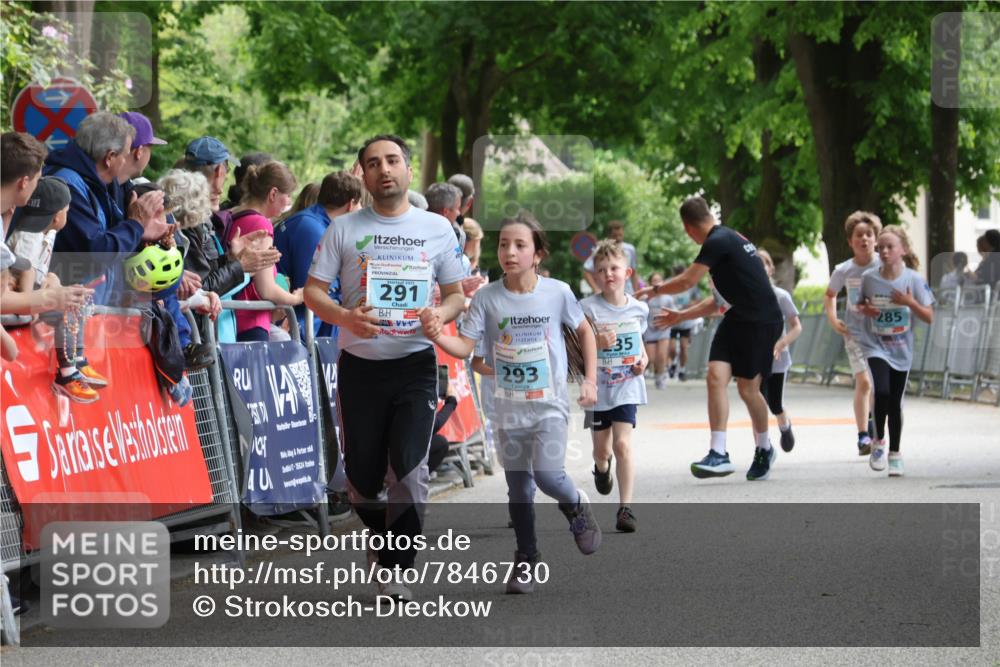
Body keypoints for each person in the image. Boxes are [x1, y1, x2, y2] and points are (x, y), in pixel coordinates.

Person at [303, 135, 467, 602]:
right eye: (373, 163)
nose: (384, 169)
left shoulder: (436, 228)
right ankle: (381, 543)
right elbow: (313, 291)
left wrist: (443, 314)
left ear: (409, 170)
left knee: (411, 470)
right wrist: (344, 317)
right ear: (363, 174)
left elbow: (455, 293)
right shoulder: (344, 229)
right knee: (363, 481)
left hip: (415, 363)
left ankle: (399, 566)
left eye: (393, 160)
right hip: (359, 367)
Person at [426, 211, 601, 594]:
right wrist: (439, 334)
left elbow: (585, 331)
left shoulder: (556, 292)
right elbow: (465, 349)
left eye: (520, 245)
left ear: (537, 254)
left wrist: (589, 380)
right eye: (504, 244)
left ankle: (575, 506)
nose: (509, 251)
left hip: (548, 405)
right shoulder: (487, 298)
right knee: (519, 491)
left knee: (548, 476)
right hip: (506, 408)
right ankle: (527, 558)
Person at [638, 196, 783, 482]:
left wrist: (652, 291)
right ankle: (718, 453)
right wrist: (680, 316)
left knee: (747, 390)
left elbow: (686, 281)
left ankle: (765, 448)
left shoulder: (718, 241)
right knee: (715, 376)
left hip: (761, 322)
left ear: (687, 227)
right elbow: (718, 301)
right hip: (736, 318)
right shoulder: (727, 240)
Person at [580, 240, 648, 533]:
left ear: (627, 272)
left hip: (627, 386)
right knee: (602, 451)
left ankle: (626, 509)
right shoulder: (587, 308)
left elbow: (639, 343)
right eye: (601, 269)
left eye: (614, 268)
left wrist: (643, 360)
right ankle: (601, 469)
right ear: (594, 276)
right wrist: (597, 340)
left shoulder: (639, 308)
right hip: (599, 388)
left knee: (622, 444)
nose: (608, 273)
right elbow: (577, 348)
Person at [857, 226, 934, 477]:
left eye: (890, 247)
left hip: (901, 348)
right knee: (881, 391)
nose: (884, 251)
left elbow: (929, 316)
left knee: (894, 402)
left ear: (904, 250)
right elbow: (861, 304)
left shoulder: (914, 279)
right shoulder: (869, 278)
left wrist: (909, 302)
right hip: (875, 344)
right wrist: (866, 310)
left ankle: (896, 453)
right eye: (881, 248)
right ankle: (879, 442)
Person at [275, 171, 362, 339]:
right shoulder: (312, 229)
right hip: (297, 330)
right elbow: (312, 290)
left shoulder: (316, 223)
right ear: (351, 204)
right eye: (360, 205)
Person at [824, 211, 881, 455]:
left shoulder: (884, 264)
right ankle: (862, 435)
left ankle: (873, 423)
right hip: (855, 333)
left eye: (869, 235)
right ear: (850, 241)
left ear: (876, 239)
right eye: (859, 235)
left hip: (882, 334)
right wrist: (834, 320)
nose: (864, 239)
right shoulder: (843, 270)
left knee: (879, 383)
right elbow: (830, 295)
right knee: (864, 381)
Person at [226, 162, 303, 342]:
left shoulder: (232, 215)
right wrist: (296, 298)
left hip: (230, 323)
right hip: (252, 322)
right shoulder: (261, 224)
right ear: (273, 194)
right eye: (288, 195)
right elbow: (266, 289)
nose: (290, 202)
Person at [757, 249, 803, 453]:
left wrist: (782, 343)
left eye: (763, 263)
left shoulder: (781, 296)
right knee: (758, 400)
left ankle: (785, 426)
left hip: (777, 358)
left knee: (774, 403)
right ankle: (762, 446)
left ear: (770, 269)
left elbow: (796, 326)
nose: (758, 267)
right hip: (755, 358)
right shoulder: (746, 297)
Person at [583, 220, 640, 295]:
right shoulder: (600, 250)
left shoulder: (630, 249)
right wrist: (596, 289)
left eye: (620, 235)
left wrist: (636, 293)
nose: (618, 238)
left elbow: (634, 273)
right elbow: (587, 271)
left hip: (627, 292)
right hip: (607, 293)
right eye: (615, 236)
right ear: (609, 236)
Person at [666, 264, 701, 381]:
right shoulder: (669, 283)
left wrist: (690, 305)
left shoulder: (692, 284)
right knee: (671, 348)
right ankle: (673, 363)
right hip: (671, 320)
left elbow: (697, 300)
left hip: (685, 320)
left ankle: (682, 369)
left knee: (683, 347)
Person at [642, 271, 674, 389]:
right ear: (650, 283)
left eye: (659, 280)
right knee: (651, 358)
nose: (657, 283)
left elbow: (674, 313)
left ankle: (660, 377)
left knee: (661, 356)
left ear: (663, 282)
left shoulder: (668, 298)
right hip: (650, 330)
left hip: (663, 329)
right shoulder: (646, 298)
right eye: (654, 281)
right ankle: (657, 373)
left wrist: (666, 317)